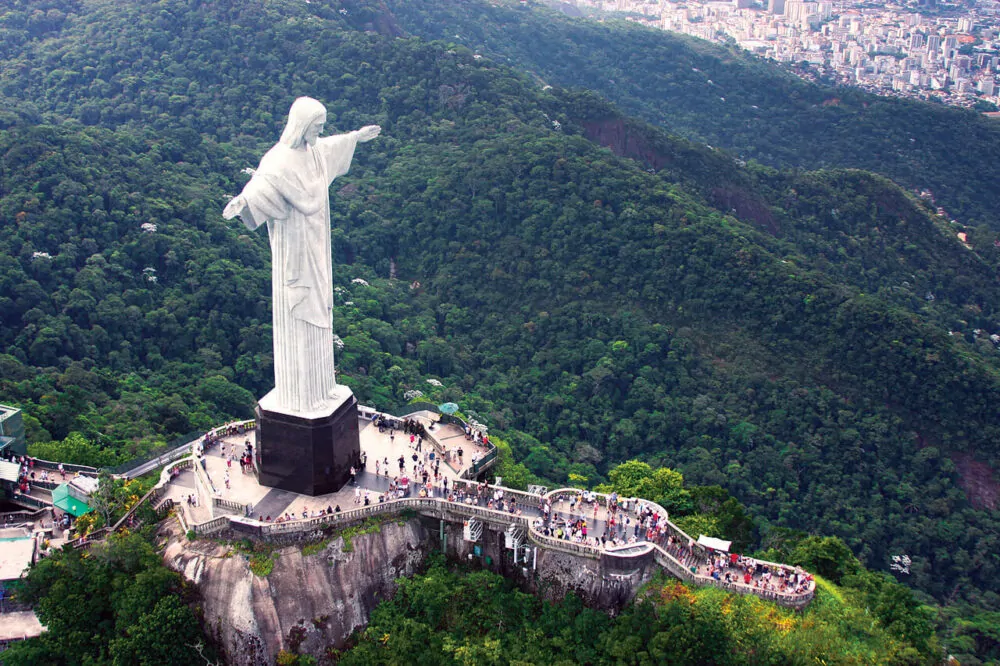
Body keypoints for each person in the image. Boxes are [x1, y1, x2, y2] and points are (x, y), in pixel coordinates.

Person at [223, 97, 380, 414]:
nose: (320, 132)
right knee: (300, 311)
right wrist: (243, 203)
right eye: (317, 126)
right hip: (293, 248)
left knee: (320, 309)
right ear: (302, 125)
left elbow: (332, 146)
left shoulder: (315, 152)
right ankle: (299, 397)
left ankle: (321, 391)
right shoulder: (279, 160)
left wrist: (356, 137)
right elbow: (261, 186)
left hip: (316, 242)